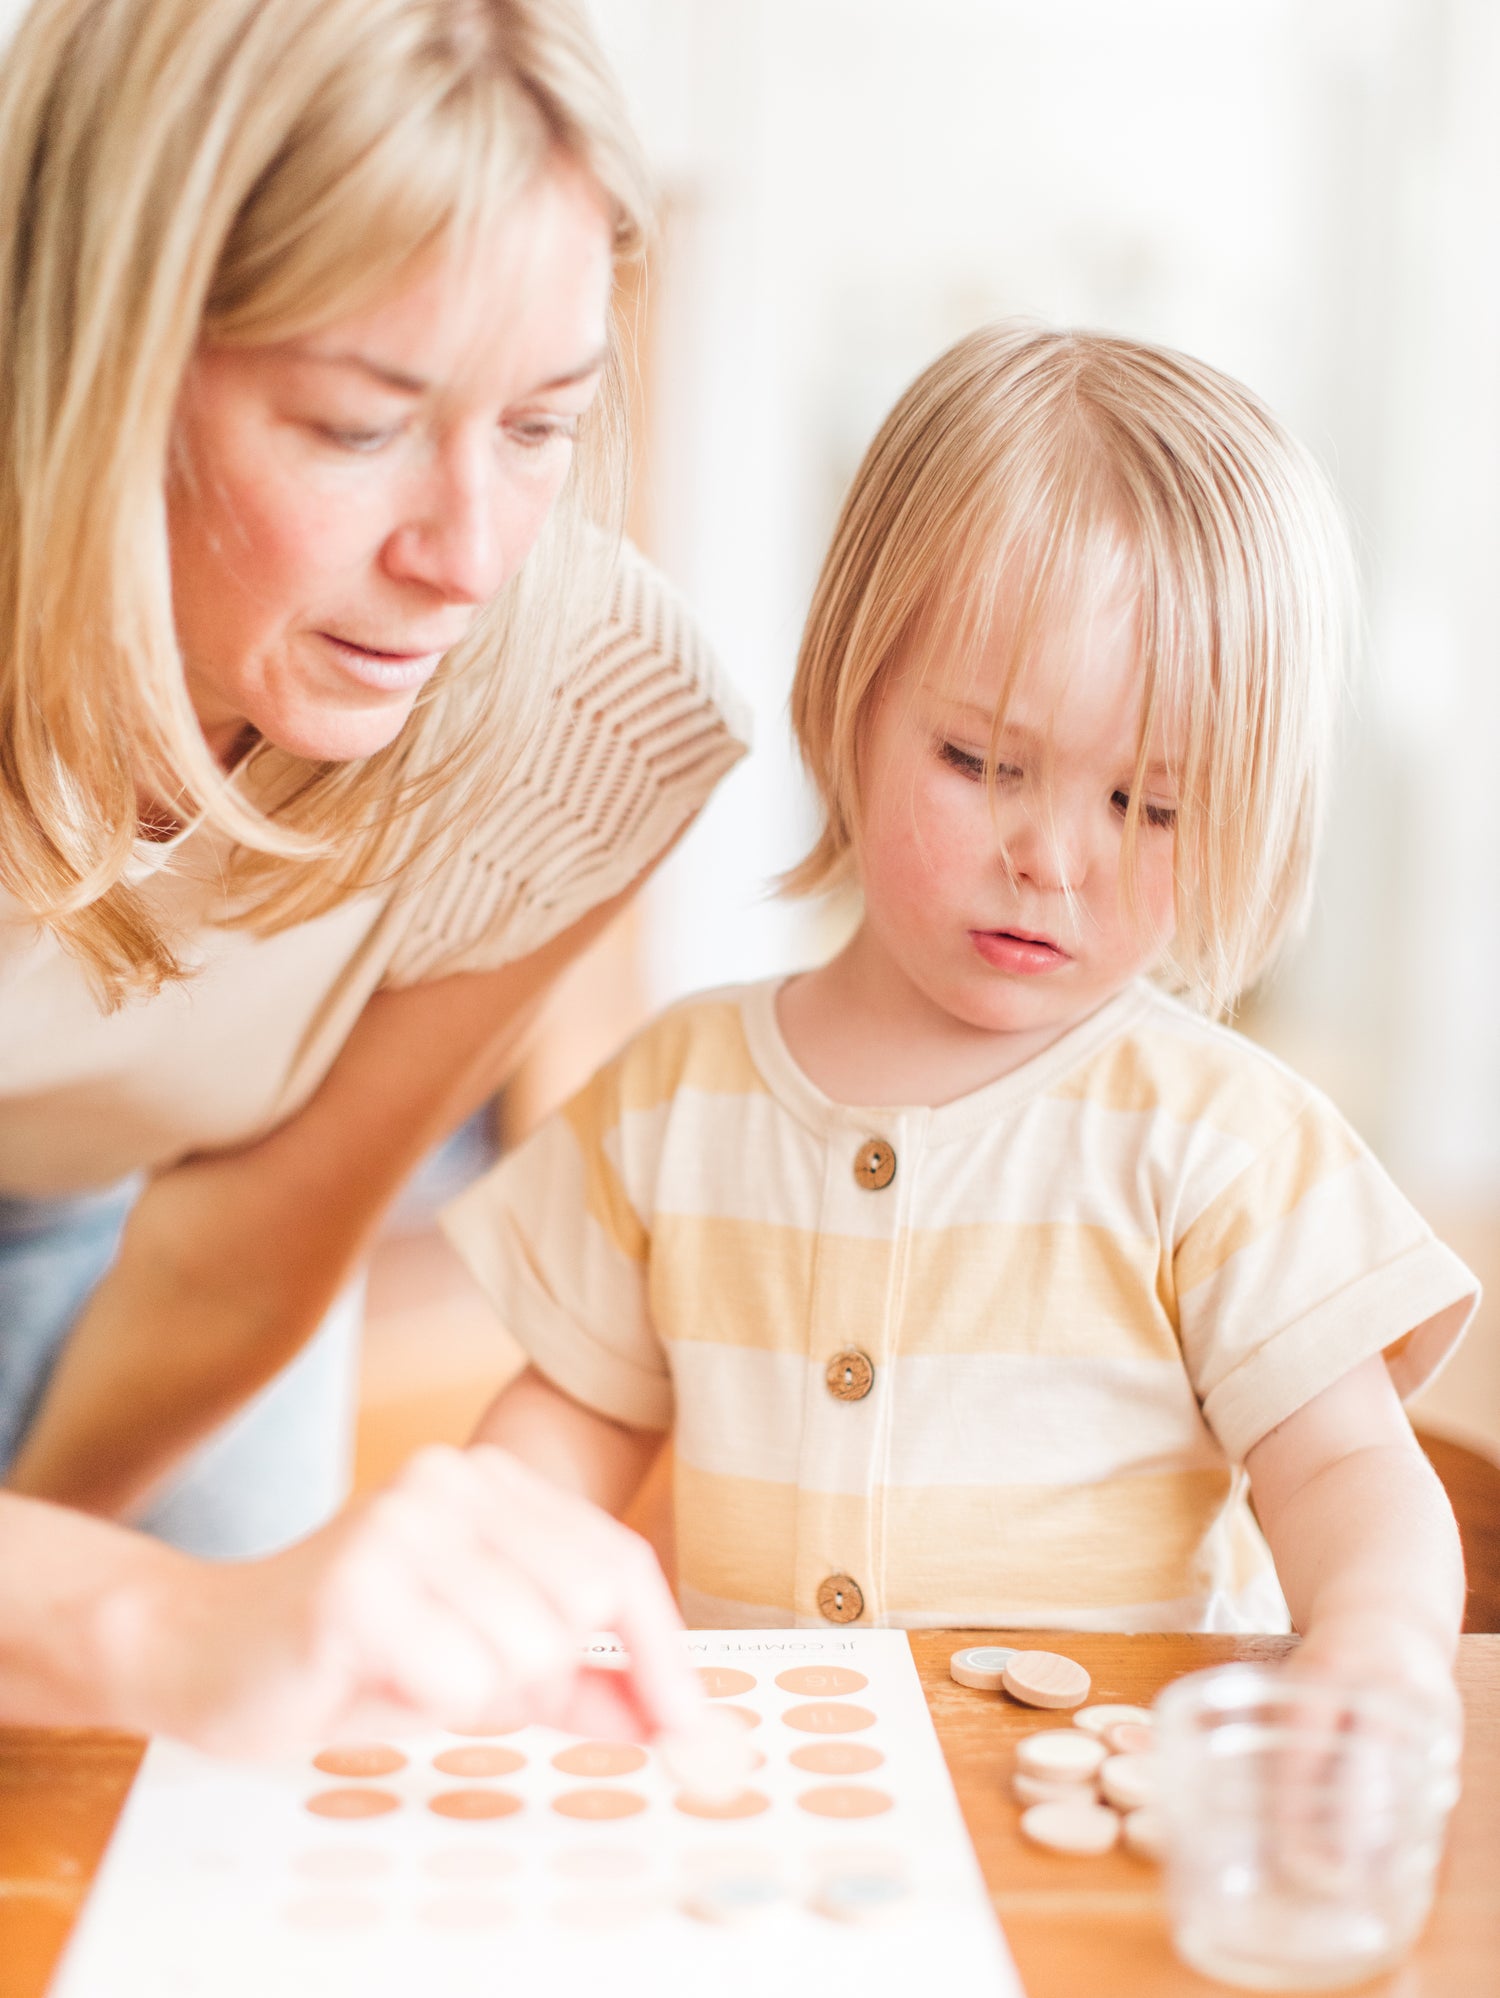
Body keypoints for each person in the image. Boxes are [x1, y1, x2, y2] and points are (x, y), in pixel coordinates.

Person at [443, 324, 1477, 1714]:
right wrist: (482, 1583)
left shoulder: (1224, 1140)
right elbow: (565, 1429)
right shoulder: (675, 1095)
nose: (1053, 856)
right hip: (786, 1805)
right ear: (851, 697)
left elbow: (1350, 1470)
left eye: (1149, 804)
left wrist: (1374, 1649)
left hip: (1103, 1819)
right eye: (984, 761)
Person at [0, 0, 748, 1748]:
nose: (467, 556)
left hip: (133, 1243)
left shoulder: (594, 708)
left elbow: (239, 1261)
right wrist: (119, 1625)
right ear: (90, 352)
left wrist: (93, 1616)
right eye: (355, 426)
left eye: (542, 423)